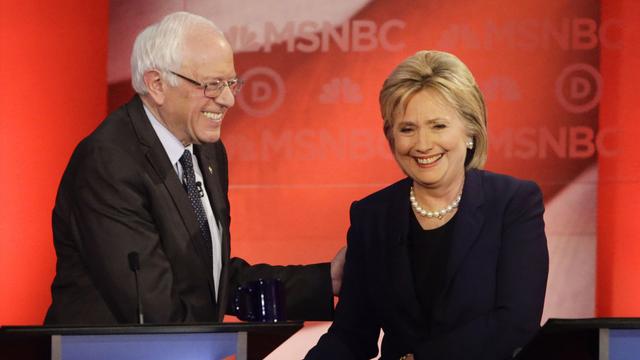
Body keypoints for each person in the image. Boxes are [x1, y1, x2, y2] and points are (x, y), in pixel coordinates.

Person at [44, 12, 345, 325]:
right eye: (212, 85)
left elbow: (208, 278)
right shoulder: (109, 162)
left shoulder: (208, 151)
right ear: (157, 84)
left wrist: (325, 281)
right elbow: (150, 308)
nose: (228, 99)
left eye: (230, 83)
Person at [305, 50, 549, 360]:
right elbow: (352, 334)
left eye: (438, 126)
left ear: (471, 130)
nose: (422, 144)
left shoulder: (513, 203)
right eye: (407, 129)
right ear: (391, 136)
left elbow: (515, 323)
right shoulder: (372, 216)